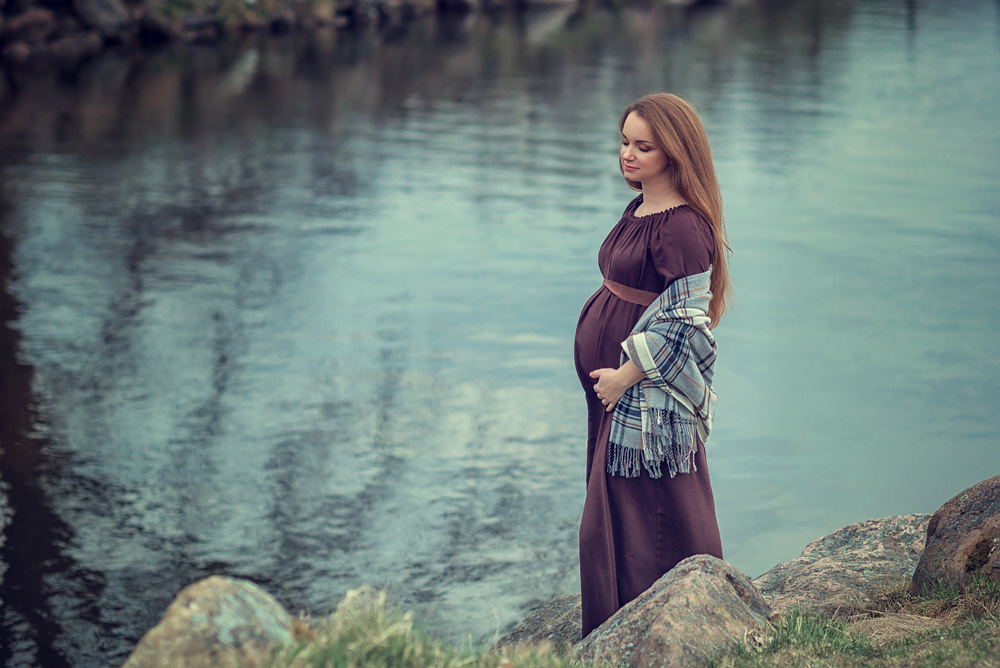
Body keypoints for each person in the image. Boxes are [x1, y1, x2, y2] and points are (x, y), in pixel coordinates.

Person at [573, 93, 731, 637]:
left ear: (675, 152)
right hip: (615, 394)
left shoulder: (683, 227)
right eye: (624, 142)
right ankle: (618, 622)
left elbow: (687, 325)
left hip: (643, 394)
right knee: (616, 509)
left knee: (657, 508)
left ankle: (679, 622)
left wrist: (625, 375)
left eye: (644, 146)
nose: (628, 155)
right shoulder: (639, 208)